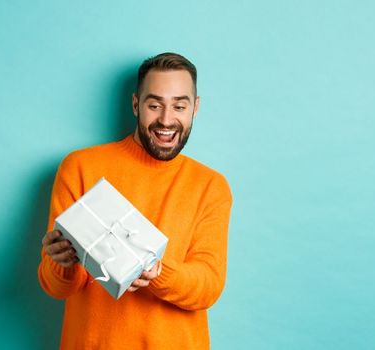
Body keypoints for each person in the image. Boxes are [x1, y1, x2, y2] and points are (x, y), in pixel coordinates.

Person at [37, 52, 233, 349]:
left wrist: (158, 272)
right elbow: (56, 287)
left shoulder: (211, 186)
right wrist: (61, 263)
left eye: (179, 106)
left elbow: (208, 287)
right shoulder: (80, 167)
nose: (166, 120)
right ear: (135, 105)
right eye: (154, 105)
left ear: (195, 108)